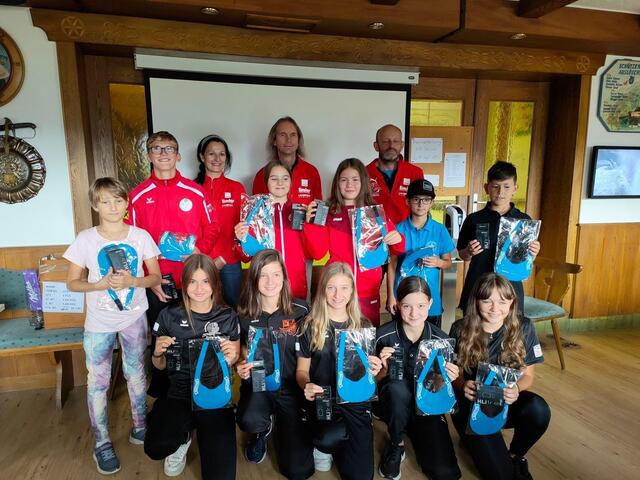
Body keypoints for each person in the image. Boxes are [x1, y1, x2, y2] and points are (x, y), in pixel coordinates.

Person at [64, 177, 162, 475]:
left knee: (136, 373)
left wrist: (134, 281)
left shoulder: (140, 235)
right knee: (99, 381)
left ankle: (140, 426)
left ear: (126, 203)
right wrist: (99, 284)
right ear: (95, 204)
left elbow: (155, 277)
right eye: (105, 201)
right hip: (99, 322)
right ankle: (102, 441)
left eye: (118, 200)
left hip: (134, 317)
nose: (112, 206)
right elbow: (72, 282)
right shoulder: (85, 239)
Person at [128, 131, 219, 397]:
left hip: (194, 280)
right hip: (159, 281)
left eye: (169, 149)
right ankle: (163, 391)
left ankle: (201, 385)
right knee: (162, 335)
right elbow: (133, 242)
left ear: (178, 155)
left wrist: (199, 252)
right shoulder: (137, 196)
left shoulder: (196, 191)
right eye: (157, 148)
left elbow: (212, 228)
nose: (163, 153)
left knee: (196, 333)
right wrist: (151, 279)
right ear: (149, 156)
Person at [144, 254, 240, 479]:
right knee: (156, 446)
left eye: (205, 281)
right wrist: (157, 352)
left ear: (215, 283)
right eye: (193, 281)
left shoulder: (227, 316)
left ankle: (197, 428)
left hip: (215, 395)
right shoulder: (168, 315)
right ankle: (183, 437)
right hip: (179, 393)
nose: (199, 288)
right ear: (184, 284)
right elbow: (158, 365)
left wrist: (231, 356)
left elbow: (234, 359)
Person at [449, 272, 550, 480]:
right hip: (471, 406)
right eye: (487, 301)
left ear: (512, 302)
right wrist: (462, 385)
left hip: (505, 402)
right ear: (476, 301)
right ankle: (472, 440)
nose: (496, 308)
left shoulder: (524, 327)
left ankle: (516, 454)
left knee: (538, 410)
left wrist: (517, 390)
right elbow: (453, 375)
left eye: (503, 301)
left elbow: (528, 376)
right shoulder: (460, 329)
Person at [296, 262, 383, 480]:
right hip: (324, 399)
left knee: (361, 476)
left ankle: (344, 442)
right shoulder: (309, 325)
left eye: (344, 288)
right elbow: (301, 371)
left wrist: (378, 369)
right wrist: (306, 384)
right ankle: (326, 445)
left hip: (355, 403)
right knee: (325, 439)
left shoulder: (363, 325)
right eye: (331, 287)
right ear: (323, 289)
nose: (337, 295)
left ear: (352, 290)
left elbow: (373, 379)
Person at [235, 249, 314, 479]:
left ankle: (286, 424)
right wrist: (241, 365)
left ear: (284, 278)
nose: (270, 282)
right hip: (259, 386)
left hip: (291, 388)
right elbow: (242, 353)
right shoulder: (243, 314)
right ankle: (260, 430)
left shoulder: (301, 311)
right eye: (263, 275)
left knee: (298, 471)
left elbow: (306, 360)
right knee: (249, 418)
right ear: (254, 279)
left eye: (276, 274)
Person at [376, 276, 461, 480]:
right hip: (392, 404)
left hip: (427, 408)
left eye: (421, 305)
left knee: (445, 472)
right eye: (407, 306)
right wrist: (382, 369)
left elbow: (445, 389)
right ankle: (396, 443)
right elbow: (373, 383)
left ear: (430, 304)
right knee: (397, 388)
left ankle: (414, 430)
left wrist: (452, 378)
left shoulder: (442, 340)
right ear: (397, 305)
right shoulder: (382, 336)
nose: (414, 313)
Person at [305, 158, 405, 326]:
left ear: (363, 182)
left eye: (354, 179)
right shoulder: (327, 213)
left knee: (366, 341)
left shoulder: (375, 214)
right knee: (334, 343)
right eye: (344, 180)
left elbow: (397, 248)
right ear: (337, 183)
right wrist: (311, 225)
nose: (349, 184)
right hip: (336, 294)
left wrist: (398, 239)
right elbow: (317, 253)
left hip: (368, 293)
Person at [457, 161, 540, 315]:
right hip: (478, 283)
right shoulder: (474, 219)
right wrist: (468, 251)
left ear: (515, 188)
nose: (501, 192)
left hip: (510, 287)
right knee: (472, 329)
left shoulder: (524, 221)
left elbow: (525, 260)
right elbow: (462, 254)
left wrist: (533, 253)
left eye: (507, 186)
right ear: (486, 188)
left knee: (510, 330)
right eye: (495, 186)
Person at [236, 161, 317, 300]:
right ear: (266, 182)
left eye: (285, 178)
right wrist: (241, 239)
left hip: (295, 286)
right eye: (274, 178)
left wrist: (311, 225)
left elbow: (314, 252)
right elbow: (246, 256)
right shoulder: (255, 213)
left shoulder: (302, 211)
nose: (280, 183)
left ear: (291, 182)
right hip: (267, 288)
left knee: (294, 321)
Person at [387, 179, 454, 328]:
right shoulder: (397, 230)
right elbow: (392, 265)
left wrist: (438, 262)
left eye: (426, 200)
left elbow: (448, 263)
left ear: (432, 203)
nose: (421, 204)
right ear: (407, 201)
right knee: (401, 341)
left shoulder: (439, 230)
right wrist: (391, 296)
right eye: (416, 199)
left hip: (430, 300)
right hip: (403, 297)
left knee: (429, 341)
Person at [195, 134, 245, 307]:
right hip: (200, 262)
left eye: (222, 154)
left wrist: (224, 258)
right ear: (202, 156)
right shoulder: (193, 189)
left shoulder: (237, 188)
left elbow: (244, 228)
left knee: (234, 309)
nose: (217, 159)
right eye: (211, 154)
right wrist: (202, 259)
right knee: (202, 308)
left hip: (230, 262)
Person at [252, 116, 323, 204]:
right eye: (282, 135)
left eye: (293, 135)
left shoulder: (311, 172)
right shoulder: (261, 175)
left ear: (298, 140)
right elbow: (257, 213)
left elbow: (319, 211)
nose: (288, 139)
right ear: (274, 141)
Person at [366, 124, 425, 225]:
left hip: (407, 234)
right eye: (385, 141)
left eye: (395, 141)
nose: (391, 146)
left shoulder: (415, 173)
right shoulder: (363, 174)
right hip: (375, 235)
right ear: (376, 146)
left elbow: (423, 208)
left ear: (402, 145)